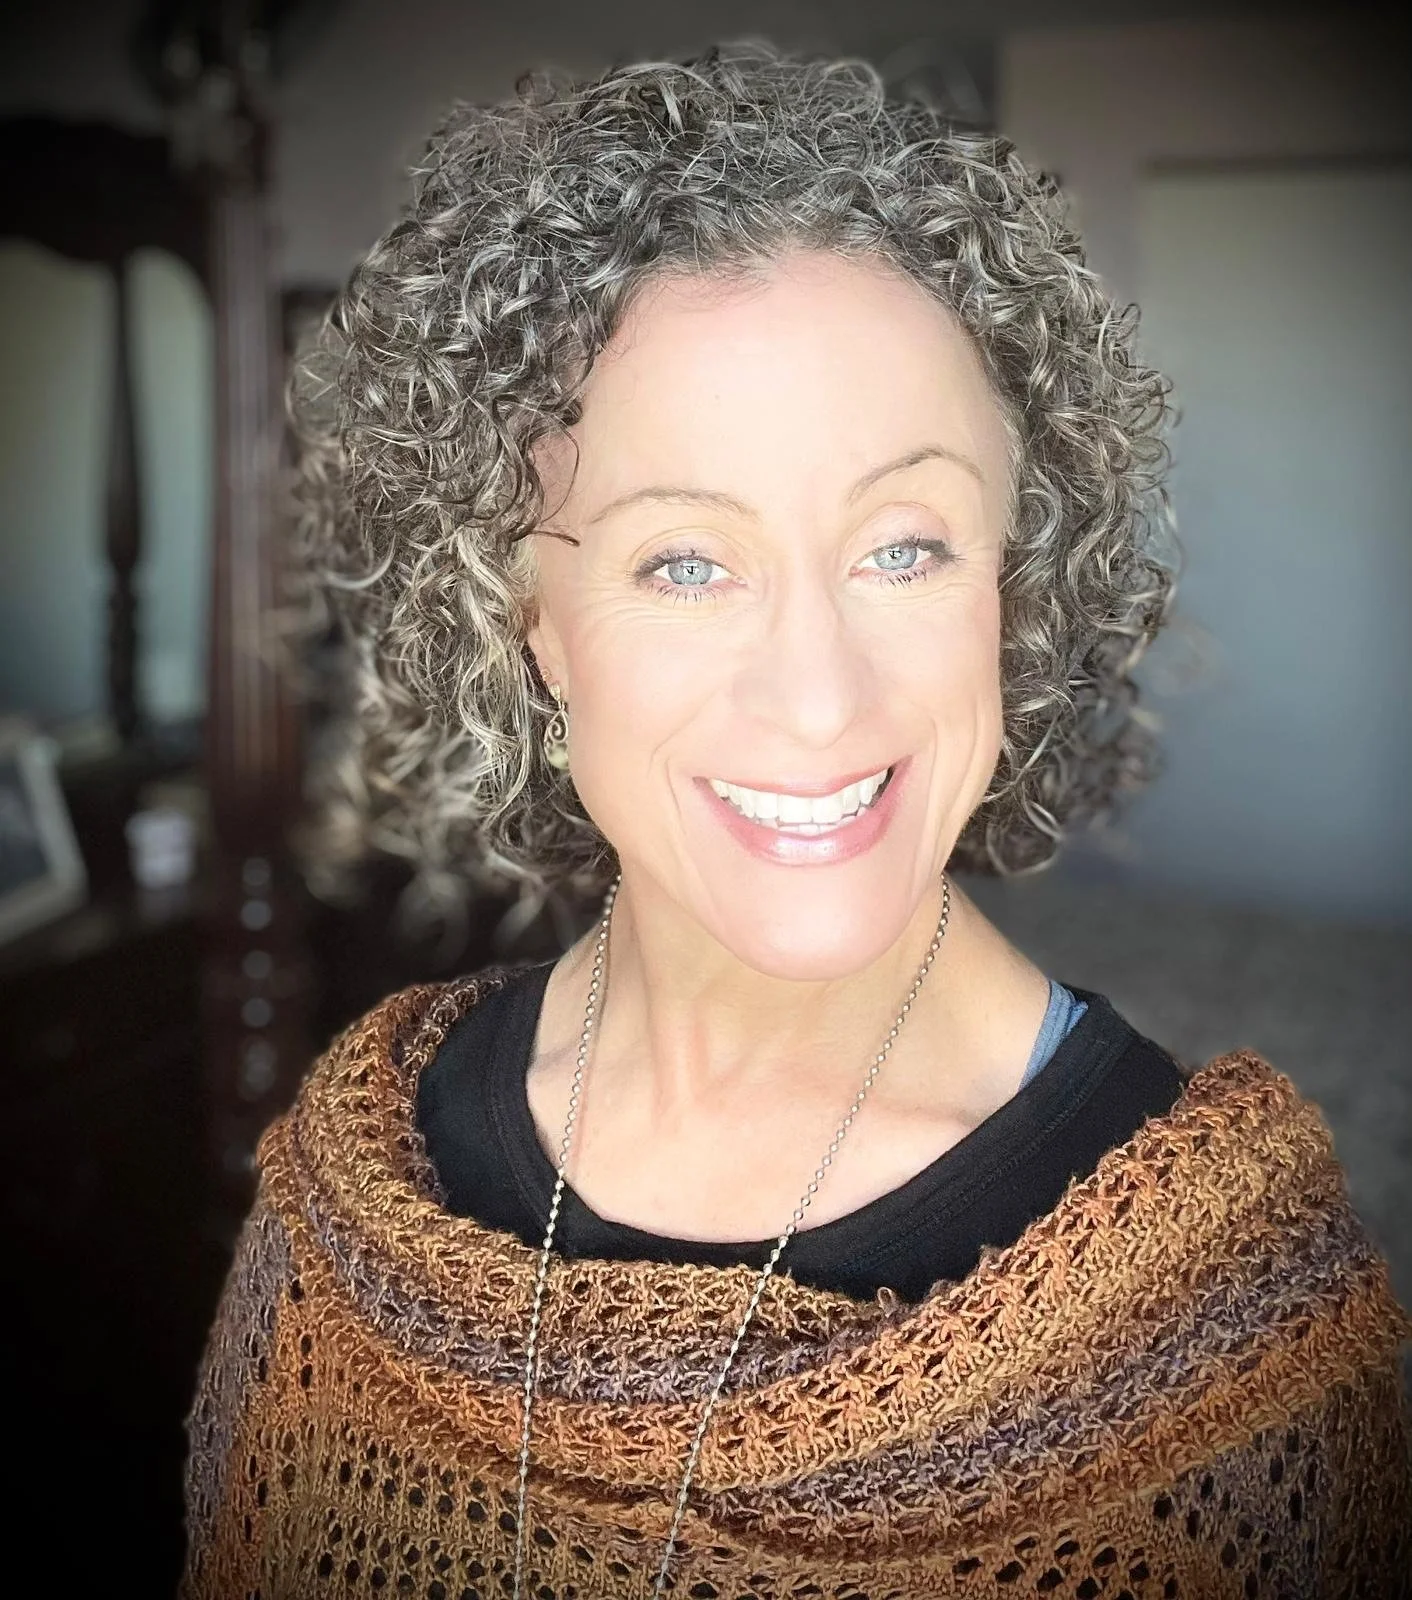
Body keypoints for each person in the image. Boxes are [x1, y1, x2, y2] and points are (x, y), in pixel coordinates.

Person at [181, 46, 1411, 1600]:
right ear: (529, 623)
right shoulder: (353, 1203)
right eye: (684, 563)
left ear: (1014, 585)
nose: (821, 697)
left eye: (905, 548)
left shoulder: (1233, 1330)